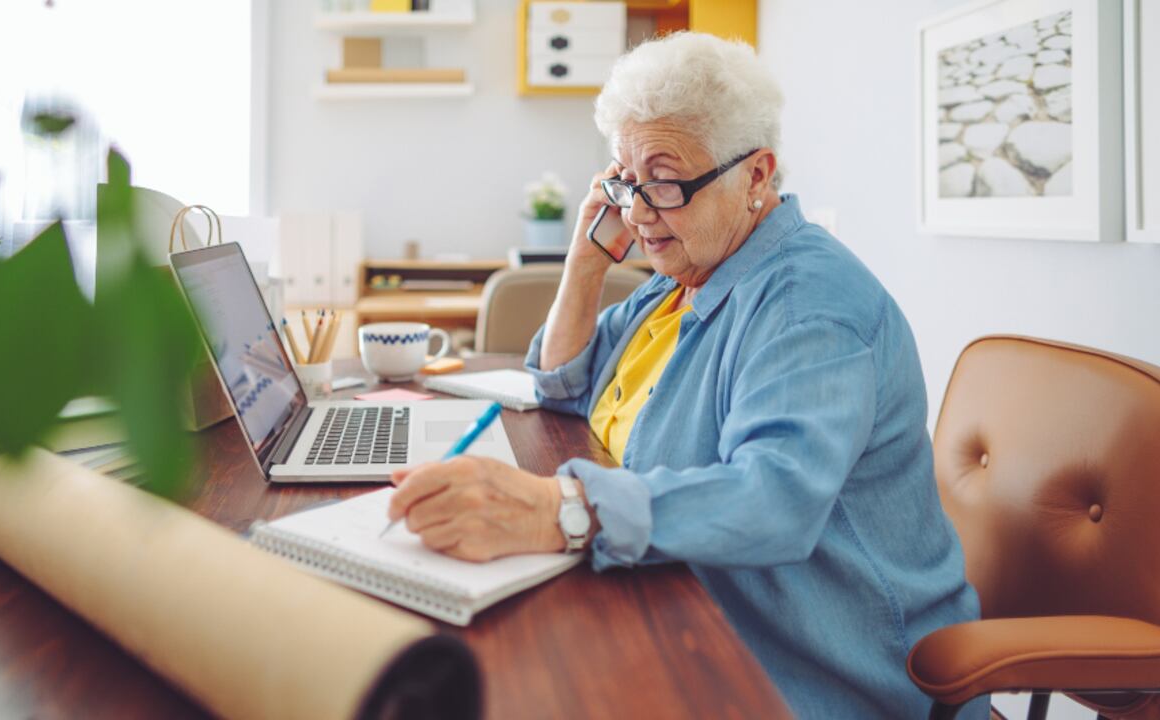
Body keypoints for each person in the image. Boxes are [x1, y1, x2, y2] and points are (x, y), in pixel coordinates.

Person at [388, 32, 986, 718]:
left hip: (818, 667)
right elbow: (562, 381)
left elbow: (774, 500)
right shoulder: (683, 277)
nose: (639, 212)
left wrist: (562, 510)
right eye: (625, 181)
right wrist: (587, 259)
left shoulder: (807, 308)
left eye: (665, 182)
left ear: (757, 176)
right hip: (693, 603)